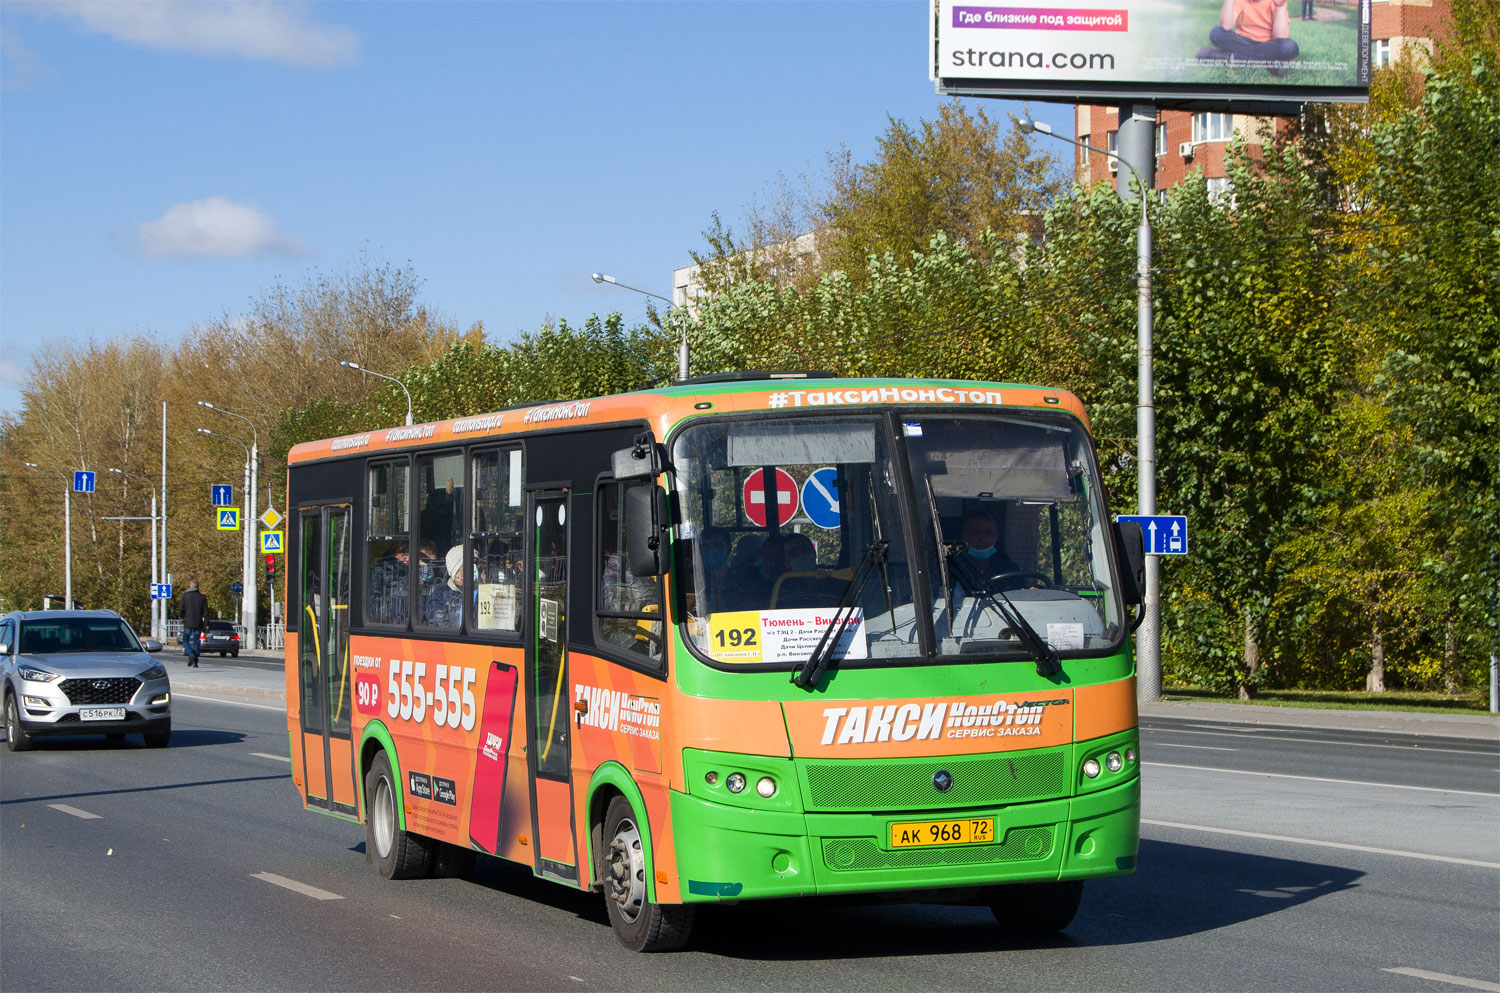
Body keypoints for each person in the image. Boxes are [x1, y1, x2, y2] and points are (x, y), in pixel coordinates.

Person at [1197, 0, 1299, 77]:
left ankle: (1227, 57)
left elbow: (1280, 38)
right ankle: (1269, 62)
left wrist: (1280, 7)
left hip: (1268, 45)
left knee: (1289, 46)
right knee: (1216, 32)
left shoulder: (1276, 2)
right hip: (1242, 41)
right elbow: (1226, 26)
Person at [423, 544, 465, 628]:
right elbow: (438, 627)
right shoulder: (439, 595)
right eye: (469, 564)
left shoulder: (480, 593)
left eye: (476, 563)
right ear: (455, 570)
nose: (474, 568)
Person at [179, 580, 208, 667]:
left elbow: (181, 609)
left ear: (190, 586)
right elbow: (206, 613)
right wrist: (206, 624)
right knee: (196, 641)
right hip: (198, 622)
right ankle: (195, 661)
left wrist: (183, 617)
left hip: (187, 622)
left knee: (185, 640)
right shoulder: (202, 597)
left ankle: (191, 654)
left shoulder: (185, 596)